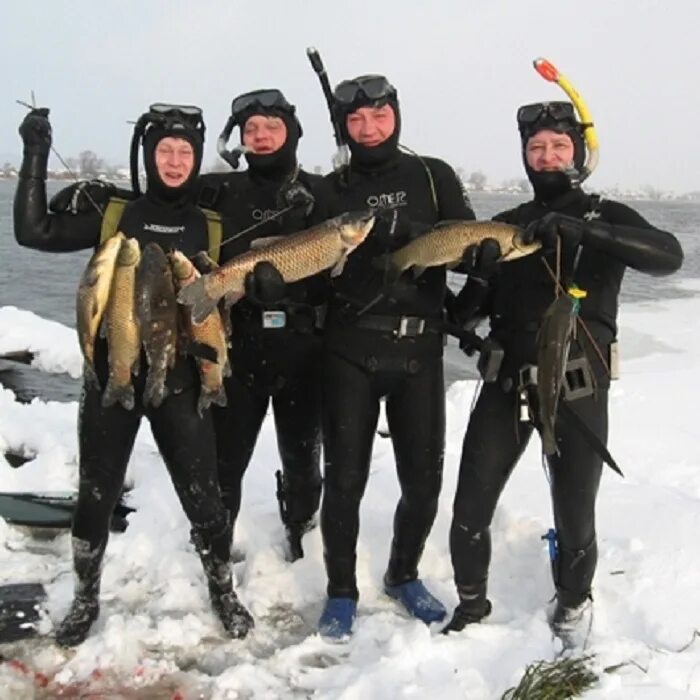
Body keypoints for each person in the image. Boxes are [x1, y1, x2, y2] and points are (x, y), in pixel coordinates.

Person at [13, 104, 254, 645]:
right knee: (94, 493)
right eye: (164, 151)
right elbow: (34, 232)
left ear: (195, 161)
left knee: (206, 499)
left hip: (181, 381)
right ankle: (85, 597)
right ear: (150, 156)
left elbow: (253, 273)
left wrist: (261, 285)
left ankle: (223, 590)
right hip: (112, 375)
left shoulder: (212, 225)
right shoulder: (111, 213)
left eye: (184, 152)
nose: (174, 161)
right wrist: (34, 154)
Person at [445, 100, 684, 645]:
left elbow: (668, 256)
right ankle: (471, 603)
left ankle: (573, 601)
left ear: (578, 153)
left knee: (575, 512)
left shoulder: (606, 214)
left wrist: (586, 233)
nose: (547, 156)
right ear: (524, 158)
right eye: (536, 147)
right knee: (469, 506)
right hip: (506, 382)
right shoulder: (505, 226)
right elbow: (465, 316)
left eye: (558, 146)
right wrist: (475, 281)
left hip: (578, 384)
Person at [317, 74, 476, 638]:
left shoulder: (432, 176)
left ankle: (403, 574)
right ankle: (340, 591)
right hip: (349, 351)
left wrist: (473, 261)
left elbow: (466, 247)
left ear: (396, 116)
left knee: (424, 482)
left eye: (379, 115)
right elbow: (306, 268)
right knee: (343, 482)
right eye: (355, 120)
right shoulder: (329, 187)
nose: (368, 127)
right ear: (343, 127)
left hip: (419, 351)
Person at [196, 89, 334, 562]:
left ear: (292, 132)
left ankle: (299, 527)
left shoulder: (323, 190)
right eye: (251, 130)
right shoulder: (221, 189)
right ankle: (216, 545)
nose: (261, 136)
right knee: (225, 459)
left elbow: (354, 264)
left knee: (302, 458)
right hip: (240, 346)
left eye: (272, 127)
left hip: (303, 349)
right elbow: (164, 201)